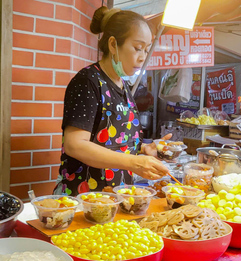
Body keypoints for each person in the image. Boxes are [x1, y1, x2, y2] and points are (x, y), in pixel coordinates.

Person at [55, 6, 170, 196]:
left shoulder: (124, 88)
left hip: (117, 197)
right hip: (84, 198)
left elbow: (114, 141)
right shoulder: (88, 81)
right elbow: (75, 144)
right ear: (112, 44)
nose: (143, 57)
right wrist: (134, 163)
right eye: (138, 48)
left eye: (146, 50)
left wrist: (142, 149)